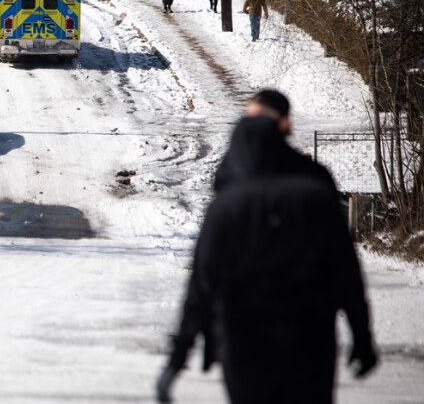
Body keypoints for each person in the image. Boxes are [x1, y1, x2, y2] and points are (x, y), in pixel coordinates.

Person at [156, 116, 378, 404]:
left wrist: (178, 356)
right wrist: (362, 337)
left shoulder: (226, 206)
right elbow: (348, 275)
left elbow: (202, 284)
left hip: (244, 340)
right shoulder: (316, 198)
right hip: (310, 337)